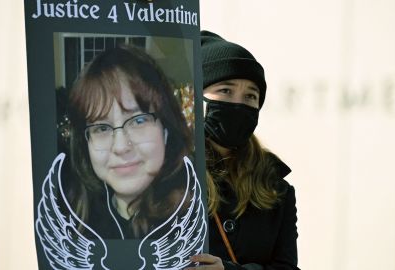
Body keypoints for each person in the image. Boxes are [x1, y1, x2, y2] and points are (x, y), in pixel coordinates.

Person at [188, 31, 300, 269]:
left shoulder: (276, 188)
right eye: (225, 91)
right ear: (196, 97)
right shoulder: (168, 172)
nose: (238, 103)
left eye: (250, 96)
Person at [67, 45, 192, 239]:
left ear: (166, 129)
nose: (120, 147)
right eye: (101, 128)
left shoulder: (200, 216)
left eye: (138, 121)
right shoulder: (70, 225)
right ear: (86, 145)